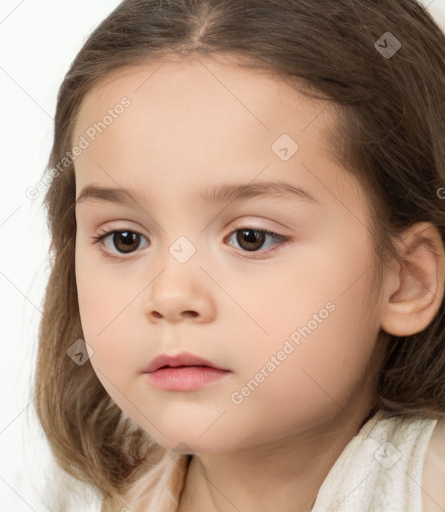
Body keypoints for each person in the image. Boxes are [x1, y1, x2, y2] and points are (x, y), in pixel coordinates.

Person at [33, 1, 445, 510]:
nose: (171, 295)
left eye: (251, 237)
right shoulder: (94, 494)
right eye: (125, 239)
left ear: (407, 279)